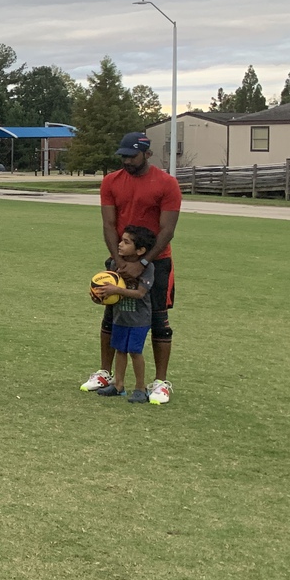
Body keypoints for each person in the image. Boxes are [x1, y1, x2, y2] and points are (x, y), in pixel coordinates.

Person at [80, 132, 181, 404]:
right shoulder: (111, 181)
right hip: (121, 259)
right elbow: (109, 224)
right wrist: (119, 261)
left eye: (132, 156)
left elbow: (167, 230)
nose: (126, 161)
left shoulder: (167, 183)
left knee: (158, 319)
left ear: (147, 154)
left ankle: (160, 382)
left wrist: (144, 263)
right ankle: (106, 374)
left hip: (157, 261)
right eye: (123, 156)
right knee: (113, 313)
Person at [91, 225, 158, 402]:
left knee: (135, 352)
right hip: (120, 317)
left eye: (126, 242)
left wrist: (115, 290)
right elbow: (108, 288)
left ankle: (140, 388)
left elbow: (140, 293)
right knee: (120, 350)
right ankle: (118, 385)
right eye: (121, 240)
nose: (120, 244)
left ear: (140, 250)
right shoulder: (115, 264)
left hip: (139, 319)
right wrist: (99, 295)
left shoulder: (148, 268)